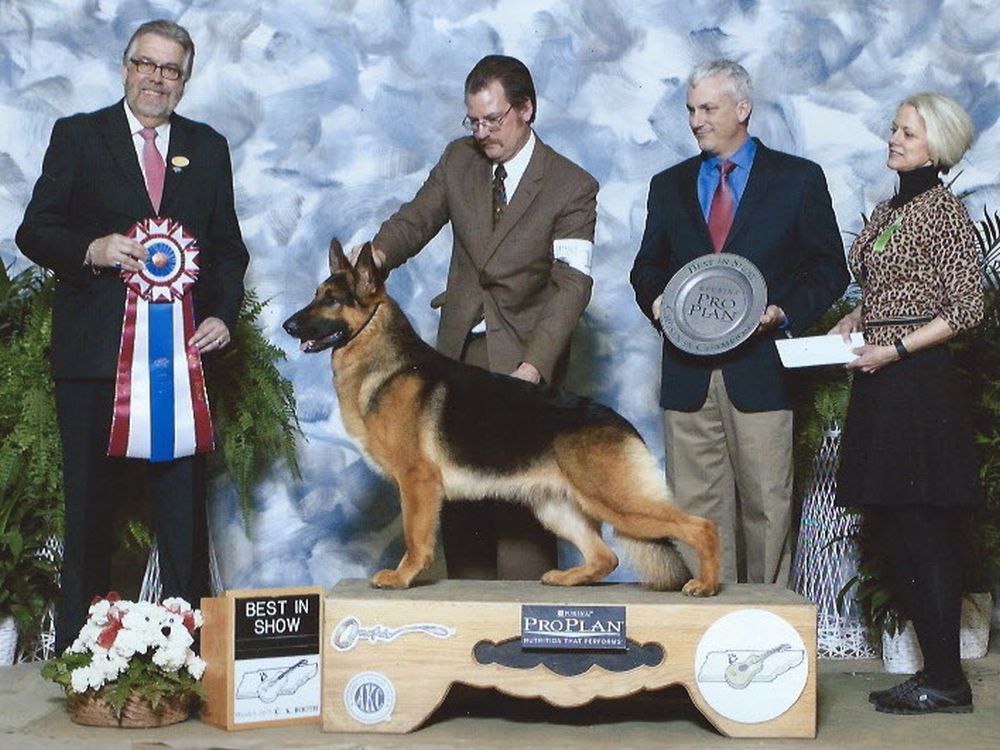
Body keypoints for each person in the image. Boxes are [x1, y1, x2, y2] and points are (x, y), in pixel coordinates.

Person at [16, 19, 249, 651]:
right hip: (92, 361)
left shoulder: (207, 147)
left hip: (177, 364)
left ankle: (190, 657)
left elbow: (228, 251)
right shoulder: (78, 136)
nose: (156, 78)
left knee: (181, 519)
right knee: (89, 513)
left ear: (185, 80)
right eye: (146, 64)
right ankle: (77, 657)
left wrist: (221, 315)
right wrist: (90, 248)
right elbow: (34, 231)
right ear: (126, 68)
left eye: (171, 70)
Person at [368, 54, 599, 580]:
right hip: (458, 356)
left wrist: (534, 370)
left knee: (523, 503)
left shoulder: (571, 185)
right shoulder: (459, 160)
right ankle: (464, 622)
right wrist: (374, 258)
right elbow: (415, 220)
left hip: (525, 355)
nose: (482, 132)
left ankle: (525, 631)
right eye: (473, 120)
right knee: (460, 499)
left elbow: (572, 284)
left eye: (493, 120)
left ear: (527, 110)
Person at [630, 59, 848, 585]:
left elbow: (829, 268)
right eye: (691, 109)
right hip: (687, 376)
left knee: (767, 506)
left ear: (742, 109)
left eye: (708, 108)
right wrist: (658, 302)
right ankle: (707, 627)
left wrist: (782, 311)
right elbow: (646, 267)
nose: (696, 120)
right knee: (695, 510)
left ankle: (767, 627)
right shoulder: (669, 185)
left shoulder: (798, 179)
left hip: (762, 372)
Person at [832, 93, 983, 715]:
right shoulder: (894, 206)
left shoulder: (942, 211)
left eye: (908, 133)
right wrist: (858, 313)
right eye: (894, 129)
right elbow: (894, 286)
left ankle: (947, 679)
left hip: (917, 387)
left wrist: (893, 347)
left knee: (922, 533)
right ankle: (934, 673)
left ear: (938, 145)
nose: (893, 139)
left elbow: (967, 307)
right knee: (895, 531)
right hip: (882, 383)